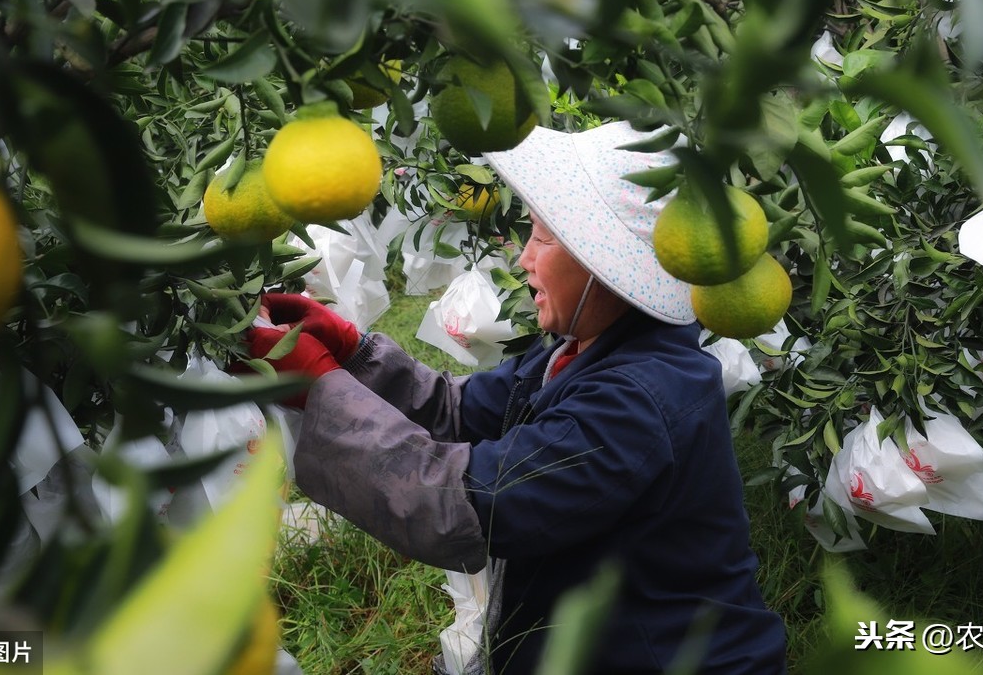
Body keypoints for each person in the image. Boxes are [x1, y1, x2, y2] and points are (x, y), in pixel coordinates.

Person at [246, 121, 788, 674]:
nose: (525, 259)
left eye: (543, 238)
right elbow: (459, 411)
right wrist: (354, 355)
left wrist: (324, 392)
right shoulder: (581, 350)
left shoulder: (639, 403)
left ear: (605, 263)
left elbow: (463, 502)